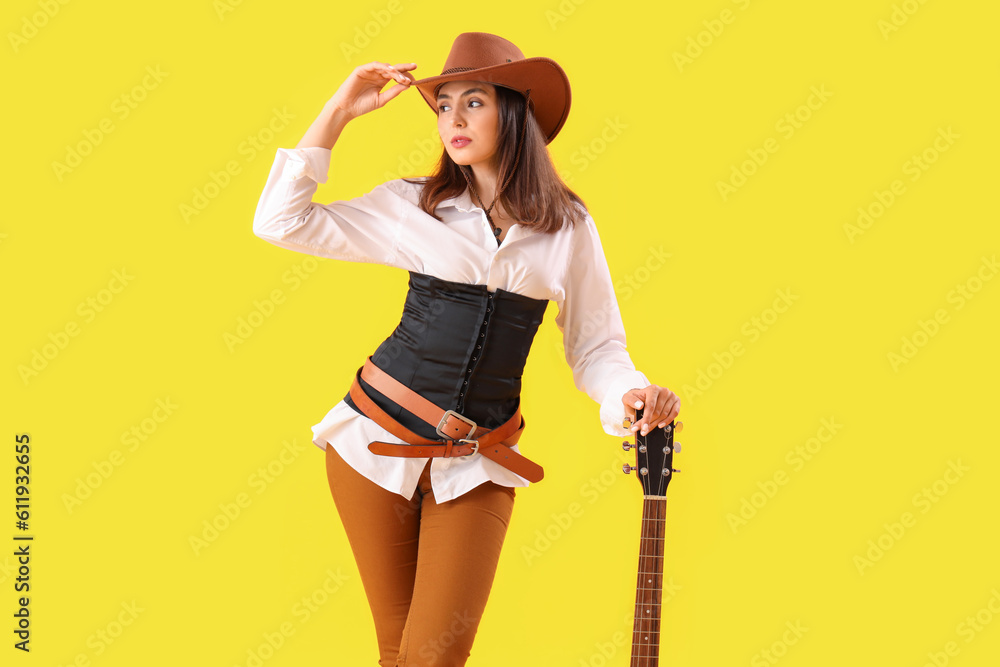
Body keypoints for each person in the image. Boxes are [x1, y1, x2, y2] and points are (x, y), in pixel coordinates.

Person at [252, 31, 680, 667]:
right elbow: (280, 222)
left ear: (514, 110)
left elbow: (596, 346)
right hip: (371, 443)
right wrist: (338, 111)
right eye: (444, 103)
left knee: (433, 658)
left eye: (472, 101)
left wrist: (629, 395)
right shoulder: (414, 206)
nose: (452, 117)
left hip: (481, 458)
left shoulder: (566, 225)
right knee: (397, 654)